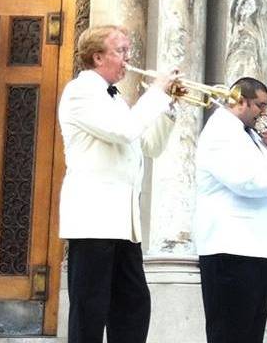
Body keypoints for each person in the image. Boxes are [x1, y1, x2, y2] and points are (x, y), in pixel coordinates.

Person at [57, 24, 179, 343]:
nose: (128, 58)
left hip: (124, 224)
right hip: (94, 221)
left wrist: (168, 108)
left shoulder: (116, 100)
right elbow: (124, 130)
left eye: (128, 51)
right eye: (121, 51)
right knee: (90, 310)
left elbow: (150, 146)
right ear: (98, 57)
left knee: (133, 305)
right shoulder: (80, 92)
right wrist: (156, 92)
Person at [194, 77, 267, 343]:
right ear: (239, 100)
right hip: (231, 249)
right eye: (260, 105)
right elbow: (246, 180)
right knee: (230, 333)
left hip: (251, 247)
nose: (264, 113)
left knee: (249, 333)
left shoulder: (245, 133)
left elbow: (256, 170)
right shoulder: (222, 130)